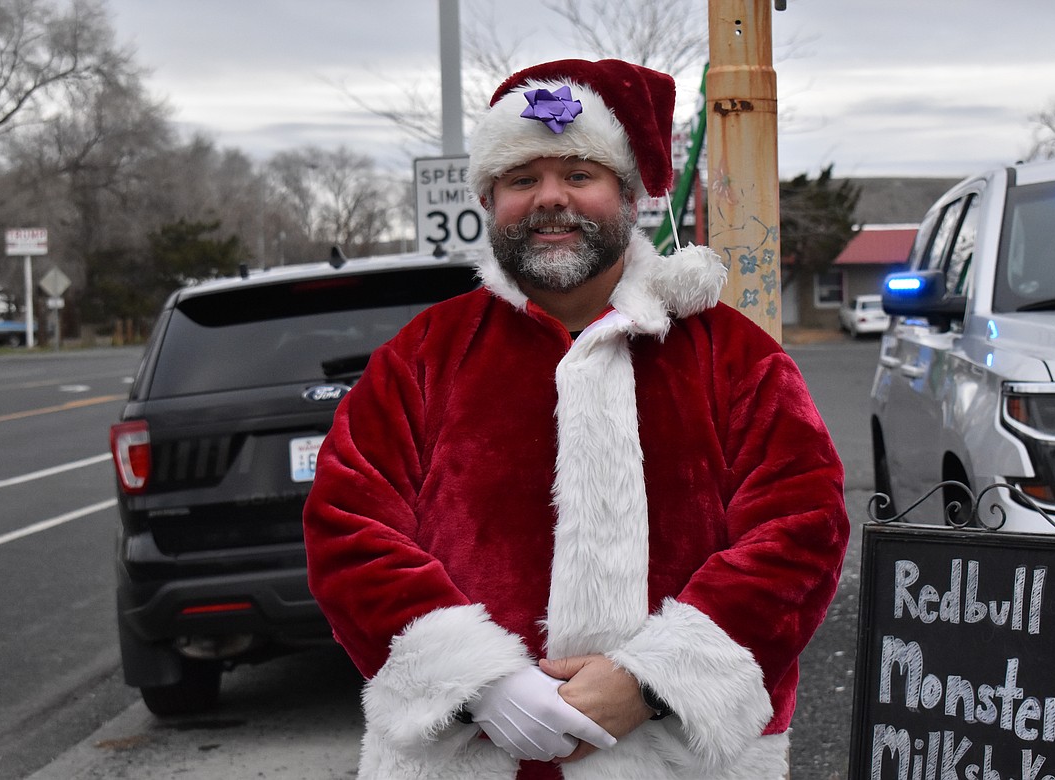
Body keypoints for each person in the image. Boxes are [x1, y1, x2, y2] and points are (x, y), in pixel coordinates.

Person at [303, 58, 848, 780]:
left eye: (579, 175)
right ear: (490, 199)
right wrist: (479, 684)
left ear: (627, 196)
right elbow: (348, 529)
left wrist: (651, 682)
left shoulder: (734, 357)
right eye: (522, 180)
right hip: (475, 761)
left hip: (682, 760)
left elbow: (802, 530)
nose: (550, 198)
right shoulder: (423, 356)